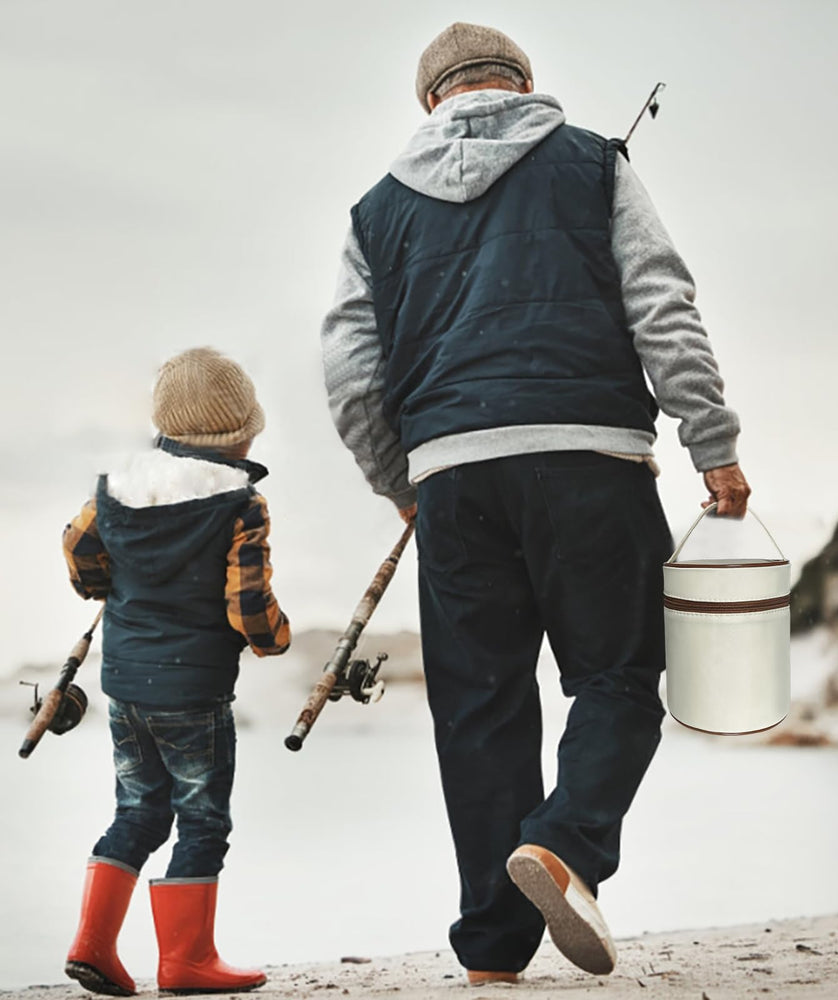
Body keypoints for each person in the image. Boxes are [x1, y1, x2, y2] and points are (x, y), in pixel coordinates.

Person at [321, 22, 751, 983]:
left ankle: (492, 955)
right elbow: (661, 302)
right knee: (618, 675)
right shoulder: (593, 165)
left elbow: (350, 375)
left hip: (454, 477)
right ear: (521, 82)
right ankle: (564, 846)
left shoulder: (373, 212)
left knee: (478, 710)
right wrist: (711, 445)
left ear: (431, 100)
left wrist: (405, 483)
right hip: (590, 460)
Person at [61, 347, 291, 996]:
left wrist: (110, 588)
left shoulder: (114, 490)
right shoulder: (239, 504)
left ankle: (93, 945)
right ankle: (186, 960)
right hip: (195, 693)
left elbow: (78, 547)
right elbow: (249, 610)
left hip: (126, 688)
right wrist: (276, 639)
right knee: (202, 820)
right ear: (238, 435)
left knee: (136, 811)